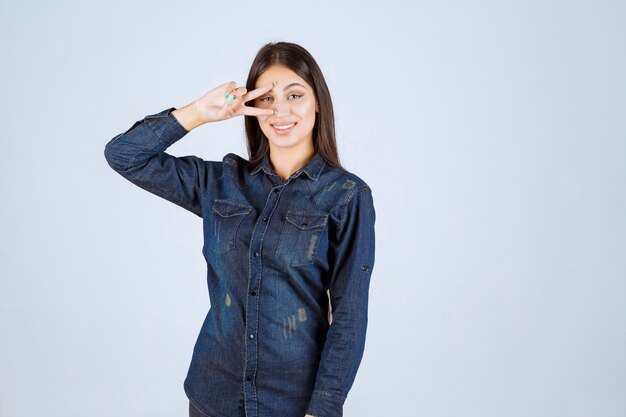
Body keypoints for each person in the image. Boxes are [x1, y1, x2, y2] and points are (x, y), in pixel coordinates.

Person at [104, 41, 376, 417]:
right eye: (267, 99)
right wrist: (200, 112)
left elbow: (350, 315)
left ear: (317, 102)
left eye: (295, 95)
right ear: (252, 108)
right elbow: (124, 155)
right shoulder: (221, 183)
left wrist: (324, 407)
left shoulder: (346, 196)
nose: (280, 111)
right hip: (213, 395)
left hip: (292, 404)